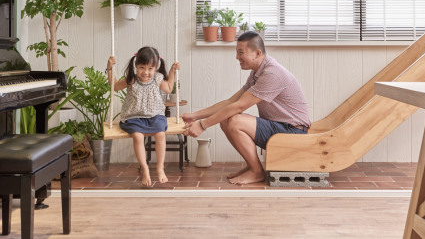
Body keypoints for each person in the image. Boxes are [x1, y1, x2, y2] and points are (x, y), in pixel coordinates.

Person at [182, 31, 310, 185]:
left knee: (235, 120)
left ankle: (257, 172)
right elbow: (231, 102)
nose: (237, 57)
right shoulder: (257, 72)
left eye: (241, 52)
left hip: (292, 131)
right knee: (225, 119)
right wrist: (196, 116)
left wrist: (202, 125)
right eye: (237, 52)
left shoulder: (272, 74)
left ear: (257, 53)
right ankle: (252, 166)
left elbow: (239, 107)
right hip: (279, 127)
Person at [107, 46, 180, 187]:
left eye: (150, 69)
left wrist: (172, 72)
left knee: (160, 134)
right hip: (133, 117)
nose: (146, 72)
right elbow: (114, 87)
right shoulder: (131, 79)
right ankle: (145, 169)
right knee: (138, 136)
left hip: (155, 115)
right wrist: (109, 68)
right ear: (135, 65)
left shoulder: (158, 79)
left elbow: (169, 88)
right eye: (142, 67)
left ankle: (160, 168)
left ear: (156, 67)